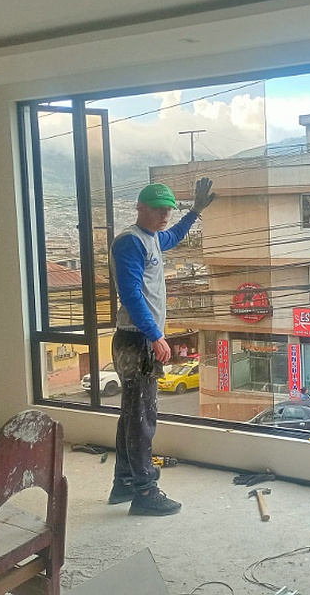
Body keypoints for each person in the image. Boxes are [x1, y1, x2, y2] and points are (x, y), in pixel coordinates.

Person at [107, 178, 216, 516]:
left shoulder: (151, 238)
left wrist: (194, 211)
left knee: (132, 415)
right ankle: (145, 491)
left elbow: (175, 235)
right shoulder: (130, 243)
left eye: (169, 210)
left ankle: (124, 482)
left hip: (138, 337)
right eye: (159, 209)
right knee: (142, 419)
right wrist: (155, 335)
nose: (165, 215)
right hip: (135, 339)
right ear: (140, 208)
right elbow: (131, 295)